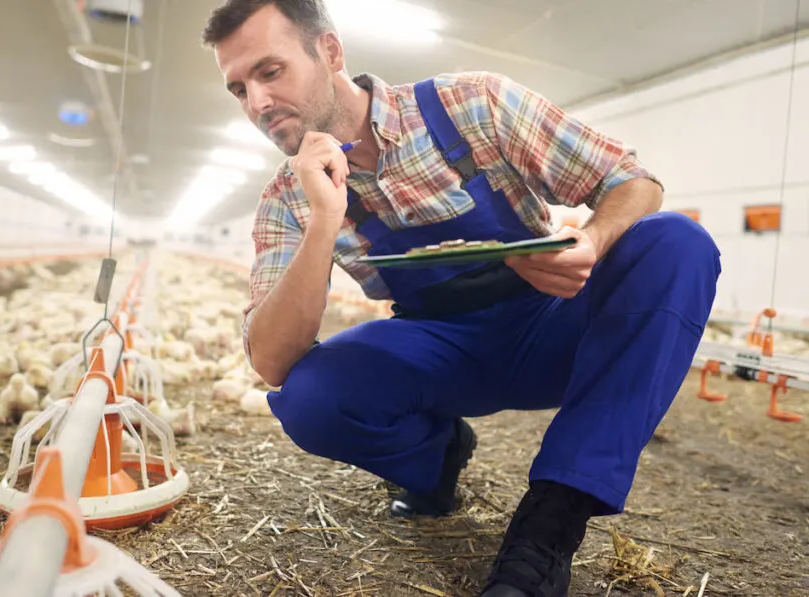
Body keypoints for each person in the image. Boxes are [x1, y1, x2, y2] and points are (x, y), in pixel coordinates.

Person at [202, 1, 721, 595]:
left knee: (676, 241)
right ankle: (438, 455)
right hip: (440, 347)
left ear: (331, 52)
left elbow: (632, 180)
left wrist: (593, 239)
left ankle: (553, 520)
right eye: (238, 89)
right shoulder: (285, 199)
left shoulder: (472, 104)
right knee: (310, 396)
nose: (258, 104)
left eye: (271, 72)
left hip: (550, 319)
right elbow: (270, 360)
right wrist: (323, 219)